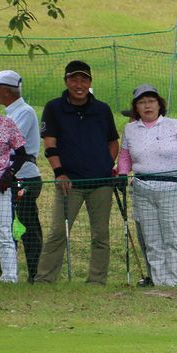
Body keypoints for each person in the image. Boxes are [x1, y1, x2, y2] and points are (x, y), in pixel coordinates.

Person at [35, 60, 120, 284]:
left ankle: (96, 281)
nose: (79, 84)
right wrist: (59, 173)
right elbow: (50, 144)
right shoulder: (54, 107)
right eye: (74, 79)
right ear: (66, 81)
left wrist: (104, 165)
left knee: (100, 235)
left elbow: (113, 142)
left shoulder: (102, 109)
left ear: (90, 82)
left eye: (83, 79)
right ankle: (45, 279)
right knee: (57, 233)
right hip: (69, 182)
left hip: (100, 183)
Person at [117, 84, 177, 287]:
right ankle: (159, 281)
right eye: (142, 102)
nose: (147, 106)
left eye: (151, 101)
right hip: (142, 189)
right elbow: (125, 156)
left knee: (172, 236)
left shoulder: (173, 125)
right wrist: (121, 173)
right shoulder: (130, 129)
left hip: (171, 188)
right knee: (152, 238)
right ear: (136, 107)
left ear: (159, 104)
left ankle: (176, 281)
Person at [0, 70, 42, 281]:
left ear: (5, 90)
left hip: (24, 177)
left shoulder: (24, 112)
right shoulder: (10, 113)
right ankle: (8, 273)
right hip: (9, 177)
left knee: (26, 226)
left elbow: (10, 143)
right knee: (5, 226)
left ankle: (34, 274)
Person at [0, 81, 31, 283]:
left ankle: (9, 276)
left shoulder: (6, 124)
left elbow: (21, 154)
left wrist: (9, 173)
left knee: (3, 231)